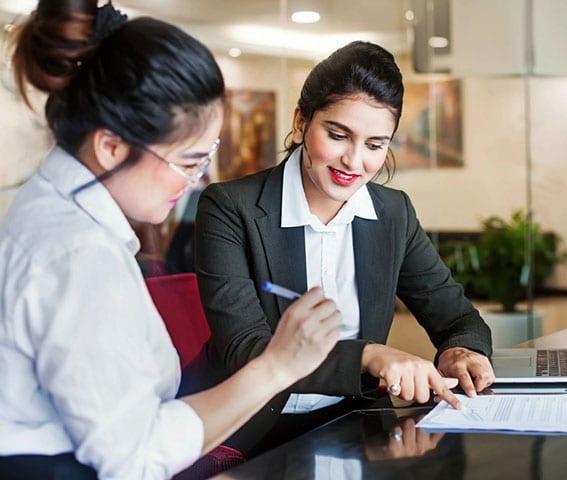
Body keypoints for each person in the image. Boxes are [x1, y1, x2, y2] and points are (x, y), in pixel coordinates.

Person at [0, 2, 341, 479]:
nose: (194, 182)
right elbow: (133, 457)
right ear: (111, 146)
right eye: (187, 161)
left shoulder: (48, 207)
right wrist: (278, 366)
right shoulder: (78, 254)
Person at [193, 40, 495, 455]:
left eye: (375, 145)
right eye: (338, 135)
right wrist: (369, 356)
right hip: (250, 431)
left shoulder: (393, 214)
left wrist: (462, 353)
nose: (354, 161)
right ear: (301, 123)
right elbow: (246, 351)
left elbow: (458, 317)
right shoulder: (230, 208)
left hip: (355, 426)